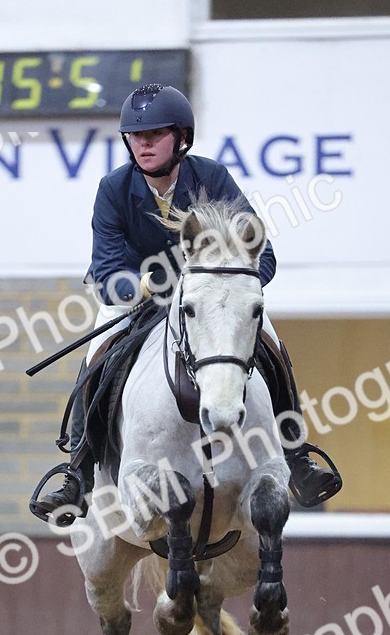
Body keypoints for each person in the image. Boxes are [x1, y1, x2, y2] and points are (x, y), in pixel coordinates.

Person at [29, 83, 341, 525]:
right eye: (136, 136)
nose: (143, 144)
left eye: (155, 134)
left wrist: (223, 286)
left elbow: (262, 255)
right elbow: (106, 269)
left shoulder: (211, 177)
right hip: (138, 300)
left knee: (271, 343)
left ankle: (295, 454)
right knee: (95, 357)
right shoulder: (113, 188)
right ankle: (77, 472)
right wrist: (143, 285)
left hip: (209, 297)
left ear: (181, 138)